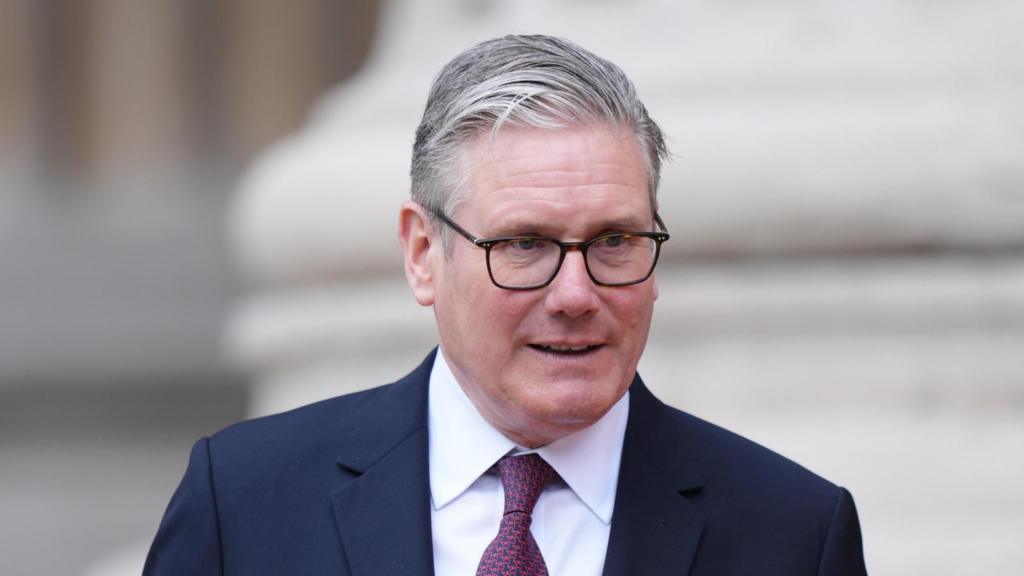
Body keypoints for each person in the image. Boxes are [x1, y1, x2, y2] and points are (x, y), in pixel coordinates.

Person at [144, 34, 867, 575]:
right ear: (424, 254)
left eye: (614, 240)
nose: (577, 295)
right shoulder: (244, 504)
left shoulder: (792, 533)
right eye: (524, 245)